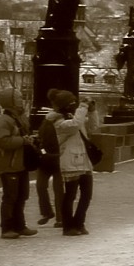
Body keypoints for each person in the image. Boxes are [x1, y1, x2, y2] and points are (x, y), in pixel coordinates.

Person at [42, 90, 99, 235]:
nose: (74, 105)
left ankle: (79, 222)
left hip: (83, 160)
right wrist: (83, 107)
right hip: (70, 161)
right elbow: (75, 125)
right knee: (70, 195)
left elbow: (92, 127)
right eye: (72, 103)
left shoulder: (74, 116)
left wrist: (92, 111)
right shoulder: (57, 121)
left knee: (87, 194)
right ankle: (68, 226)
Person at [0, 89, 33, 238]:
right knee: (10, 196)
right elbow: (1, 140)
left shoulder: (18, 118)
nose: (21, 100)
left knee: (22, 195)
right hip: (9, 164)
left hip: (20, 163)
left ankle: (20, 225)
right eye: (18, 98)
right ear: (11, 101)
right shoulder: (4, 120)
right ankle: (7, 227)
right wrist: (23, 141)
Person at [30, 98, 60, 226]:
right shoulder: (47, 120)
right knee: (41, 186)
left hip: (58, 158)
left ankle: (60, 217)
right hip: (46, 158)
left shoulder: (64, 119)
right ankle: (47, 212)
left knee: (58, 189)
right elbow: (41, 137)